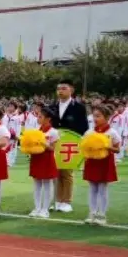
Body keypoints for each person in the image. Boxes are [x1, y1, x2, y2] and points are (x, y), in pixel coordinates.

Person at [50, 79, 88, 213]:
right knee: (55, 172)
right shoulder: (52, 106)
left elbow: (83, 126)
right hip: (55, 141)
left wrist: (72, 136)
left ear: (71, 90)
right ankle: (57, 199)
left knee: (66, 172)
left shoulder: (79, 107)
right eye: (58, 89)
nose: (60, 91)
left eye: (63, 88)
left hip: (70, 142)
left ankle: (66, 201)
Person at [82, 106, 121, 226]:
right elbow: (84, 147)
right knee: (92, 188)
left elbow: (118, 149)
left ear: (107, 117)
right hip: (92, 162)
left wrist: (108, 147)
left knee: (102, 189)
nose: (95, 118)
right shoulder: (89, 132)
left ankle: (102, 215)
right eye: (94, 116)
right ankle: (92, 213)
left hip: (105, 163)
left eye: (98, 116)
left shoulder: (112, 132)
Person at [28, 106, 59, 219]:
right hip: (36, 158)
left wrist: (43, 142)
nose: (38, 118)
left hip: (47, 158)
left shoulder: (54, 132)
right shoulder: (37, 131)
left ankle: (45, 209)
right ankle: (37, 208)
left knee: (47, 184)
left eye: (40, 116)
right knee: (37, 184)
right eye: (38, 116)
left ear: (48, 119)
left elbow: (52, 148)